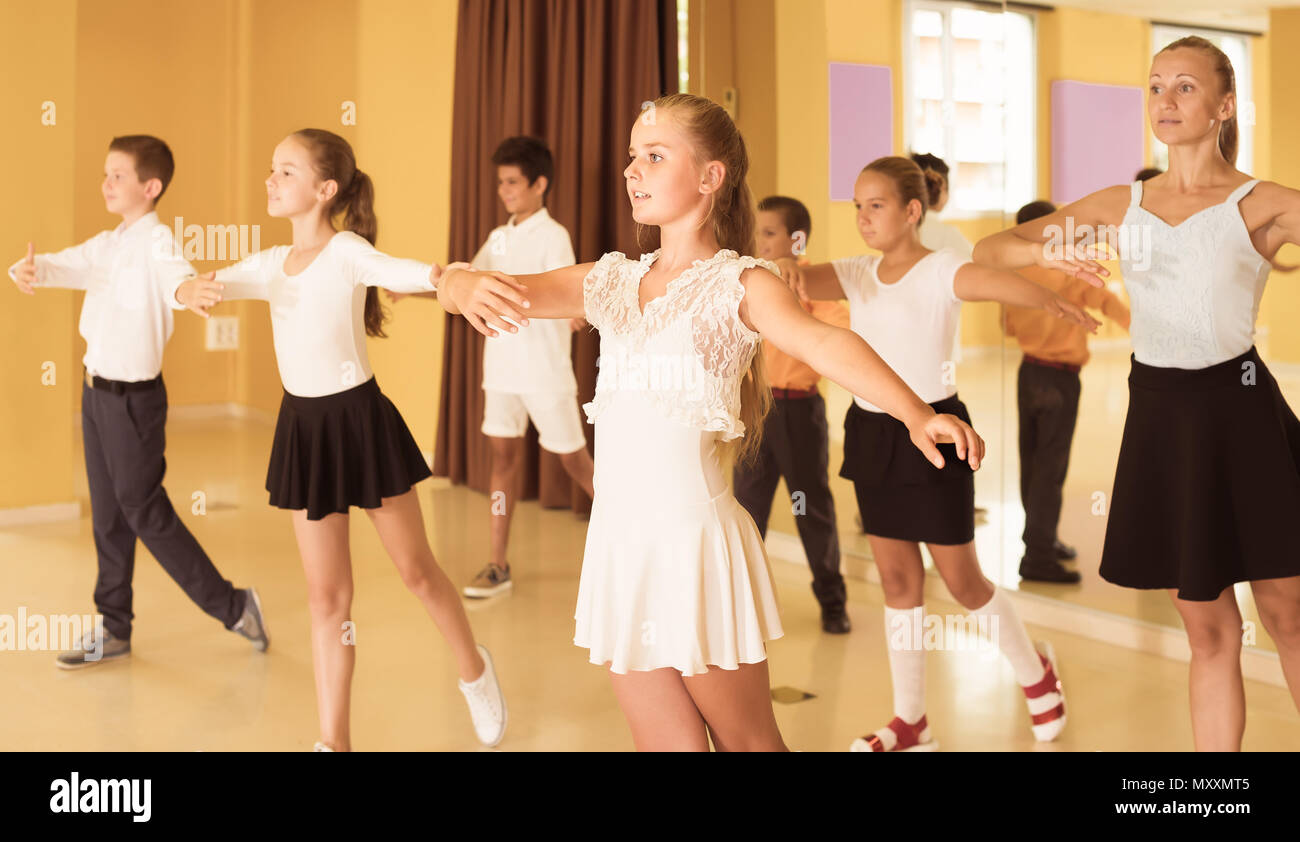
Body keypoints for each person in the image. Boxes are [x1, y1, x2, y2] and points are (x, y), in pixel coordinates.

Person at [437, 94, 984, 751]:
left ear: (710, 176)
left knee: (750, 742)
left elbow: (823, 344)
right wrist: (455, 282)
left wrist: (918, 413)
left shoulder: (741, 284)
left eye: (655, 156)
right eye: (633, 158)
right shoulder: (610, 281)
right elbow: (506, 292)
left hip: (692, 549)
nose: (632, 171)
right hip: (619, 549)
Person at [973, 36, 1300, 750]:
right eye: (1156, 86)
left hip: (1241, 411)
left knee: (1288, 612)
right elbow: (989, 252)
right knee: (1206, 626)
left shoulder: (1261, 203)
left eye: (1186, 87)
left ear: (1225, 105)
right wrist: (1045, 250)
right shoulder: (1122, 205)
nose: (1167, 100)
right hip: (1163, 417)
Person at [176, 129, 505, 751]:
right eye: (272, 170)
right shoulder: (271, 263)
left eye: (286, 171)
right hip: (304, 432)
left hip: (360, 425)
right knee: (327, 599)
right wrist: (183, 288)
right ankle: (335, 743)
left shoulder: (348, 250)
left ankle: (475, 671)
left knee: (417, 572)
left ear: (325, 190)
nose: (270, 180)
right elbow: (209, 282)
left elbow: (404, 272)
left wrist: (448, 278)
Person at [775, 156, 1098, 750]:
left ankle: (1036, 677)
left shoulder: (942, 267)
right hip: (873, 434)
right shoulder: (856, 272)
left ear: (912, 211)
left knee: (962, 580)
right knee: (898, 581)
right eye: (857, 206)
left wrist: (1052, 301)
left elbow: (993, 281)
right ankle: (911, 721)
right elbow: (782, 280)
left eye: (876, 205)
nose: (863, 217)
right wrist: (780, 266)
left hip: (937, 433)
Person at [8, 134, 268, 669]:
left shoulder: (158, 244)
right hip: (95, 395)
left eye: (118, 175)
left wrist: (187, 293)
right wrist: (33, 270)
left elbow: (176, 280)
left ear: (150, 187)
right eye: (106, 174)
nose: (106, 183)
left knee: (143, 511)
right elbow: (69, 265)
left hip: (134, 404)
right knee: (108, 515)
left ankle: (235, 605)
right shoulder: (111, 243)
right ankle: (114, 628)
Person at [390, 136, 595, 599]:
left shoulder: (554, 235)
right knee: (502, 463)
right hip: (501, 371)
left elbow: (568, 295)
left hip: (545, 373)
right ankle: (497, 563)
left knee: (576, 464)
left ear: (539, 184)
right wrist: (412, 289)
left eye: (512, 182)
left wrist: (575, 312)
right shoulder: (498, 238)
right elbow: (462, 288)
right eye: (500, 182)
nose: (504, 191)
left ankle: (635, 549)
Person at [733, 195, 851, 634]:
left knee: (810, 507)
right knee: (746, 508)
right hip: (756, 411)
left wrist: (794, 292)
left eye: (769, 233)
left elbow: (834, 338)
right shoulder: (748, 281)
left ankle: (832, 600)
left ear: (796, 239)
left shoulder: (814, 288)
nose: (759, 241)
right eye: (757, 232)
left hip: (799, 413)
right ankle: (741, 606)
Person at [1003, 199, 1131, 584]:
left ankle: (1040, 538)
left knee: (1032, 460)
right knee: (1051, 468)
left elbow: (1008, 328)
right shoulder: (1070, 273)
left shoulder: (1013, 273)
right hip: (1060, 379)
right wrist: (1142, 328)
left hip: (1028, 375)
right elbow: (1106, 301)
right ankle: (1038, 555)